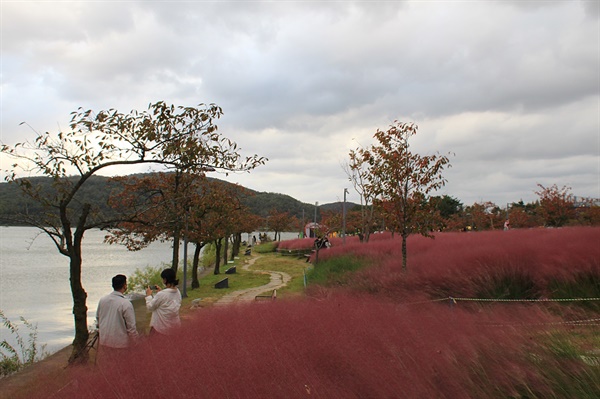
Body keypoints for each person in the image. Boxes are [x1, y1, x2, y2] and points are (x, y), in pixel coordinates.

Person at [96, 274, 139, 349]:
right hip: (120, 344)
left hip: (104, 341)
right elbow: (131, 327)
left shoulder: (103, 300)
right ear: (124, 285)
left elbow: (98, 319)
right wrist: (136, 342)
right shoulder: (125, 303)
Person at [145, 268, 182, 335]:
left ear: (165, 280)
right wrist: (161, 291)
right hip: (174, 327)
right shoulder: (177, 292)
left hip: (160, 329)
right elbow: (166, 302)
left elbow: (150, 307)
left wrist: (148, 296)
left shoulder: (162, 294)